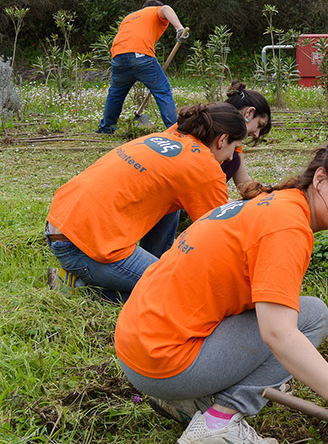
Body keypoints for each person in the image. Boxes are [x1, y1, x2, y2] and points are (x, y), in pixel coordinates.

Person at [113, 138, 328, 444]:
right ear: (320, 179)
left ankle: (190, 402)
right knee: (311, 317)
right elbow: (279, 334)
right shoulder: (287, 228)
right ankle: (217, 424)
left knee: (284, 312)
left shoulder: (276, 203)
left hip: (137, 346)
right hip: (163, 364)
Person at [46, 103, 247, 302]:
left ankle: (149, 263)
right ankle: (81, 290)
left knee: (172, 202)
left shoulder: (171, 135)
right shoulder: (204, 167)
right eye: (234, 148)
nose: (231, 157)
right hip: (82, 248)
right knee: (178, 292)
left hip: (60, 225)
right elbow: (222, 235)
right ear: (222, 140)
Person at [97, 0, 189, 134]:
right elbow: (166, 8)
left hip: (118, 56)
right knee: (163, 91)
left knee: (115, 94)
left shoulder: (129, 17)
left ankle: (106, 128)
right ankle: (175, 131)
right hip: (141, 55)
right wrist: (179, 29)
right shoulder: (155, 10)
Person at [222, 81, 272, 192]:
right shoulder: (215, 135)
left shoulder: (233, 140)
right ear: (249, 112)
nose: (256, 134)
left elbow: (244, 183)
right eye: (259, 125)